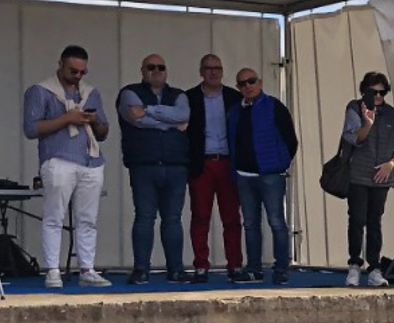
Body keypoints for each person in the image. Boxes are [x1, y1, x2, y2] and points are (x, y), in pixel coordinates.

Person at [22, 45, 111, 288]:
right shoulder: (40, 91)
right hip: (58, 158)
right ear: (60, 64)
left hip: (91, 160)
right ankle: (52, 270)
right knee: (54, 216)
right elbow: (31, 129)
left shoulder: (91, 93)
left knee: (88, 219)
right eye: (73, 71)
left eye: (83, 72)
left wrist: (94, 121)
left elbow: (103, 132)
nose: (79, 76)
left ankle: (87, 269)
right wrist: (66, 119)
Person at [116, 53, 190, 284]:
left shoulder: (179, 95)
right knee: (145, 218)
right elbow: (134, 119)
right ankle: (141, 270)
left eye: (161, 67)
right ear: (142, 70)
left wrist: (147, 110)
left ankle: (176, 270)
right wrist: (170, 122)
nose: (156, 71)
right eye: (151, 67)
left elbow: (184, 115)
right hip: (144, 166)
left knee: (173, 220)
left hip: (176, 166)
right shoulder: (128, 92)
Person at [225, 68, 297, 284]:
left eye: (251, 81)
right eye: (242, 83)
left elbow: (291, 140)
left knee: (276, 221)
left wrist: (279, 164)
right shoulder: (235, 111)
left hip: (271, 175)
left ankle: (281, 268)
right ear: (238, 87)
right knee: (250, 223)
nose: (248, 86)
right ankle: (254, 268)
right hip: (244, 176)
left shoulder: (275, 107)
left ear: (260, 82)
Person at [181, 54, 243, 283]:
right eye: (208, 68)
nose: (213, 72)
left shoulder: (234, 97)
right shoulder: (188, 98)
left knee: (232, 218)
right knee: (200, 217)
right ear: (201, 71)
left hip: (228, 163)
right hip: (202, 163)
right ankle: (201, 266)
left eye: (217, 68)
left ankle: (235, 265)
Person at [339, 72, 394, 288]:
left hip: (382, 177)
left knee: (375, 222)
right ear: (364, 90)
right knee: (357, 220)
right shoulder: (354, 108)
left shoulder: (392, 114)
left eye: (381, 92)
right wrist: (367, 123)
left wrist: (392, 164)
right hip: (358, 174)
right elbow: (352, 137)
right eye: (372, 91)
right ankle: (354, 265)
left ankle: (375, 267)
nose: (377, 96)